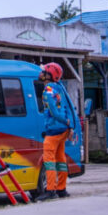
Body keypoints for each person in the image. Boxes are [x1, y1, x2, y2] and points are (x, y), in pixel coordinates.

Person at [36, 62, 75, 201]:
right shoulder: (59, 88)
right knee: (60, 159)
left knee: (49, 161)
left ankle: (50, 190)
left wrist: (66, 122)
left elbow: (53, 111)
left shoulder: (48, 91)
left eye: (43, 71)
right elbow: (68, 107)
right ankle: (62, 189)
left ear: (49, 75)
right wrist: (69, 126)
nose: (40, 74)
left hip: (54, 130)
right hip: (63, 130)